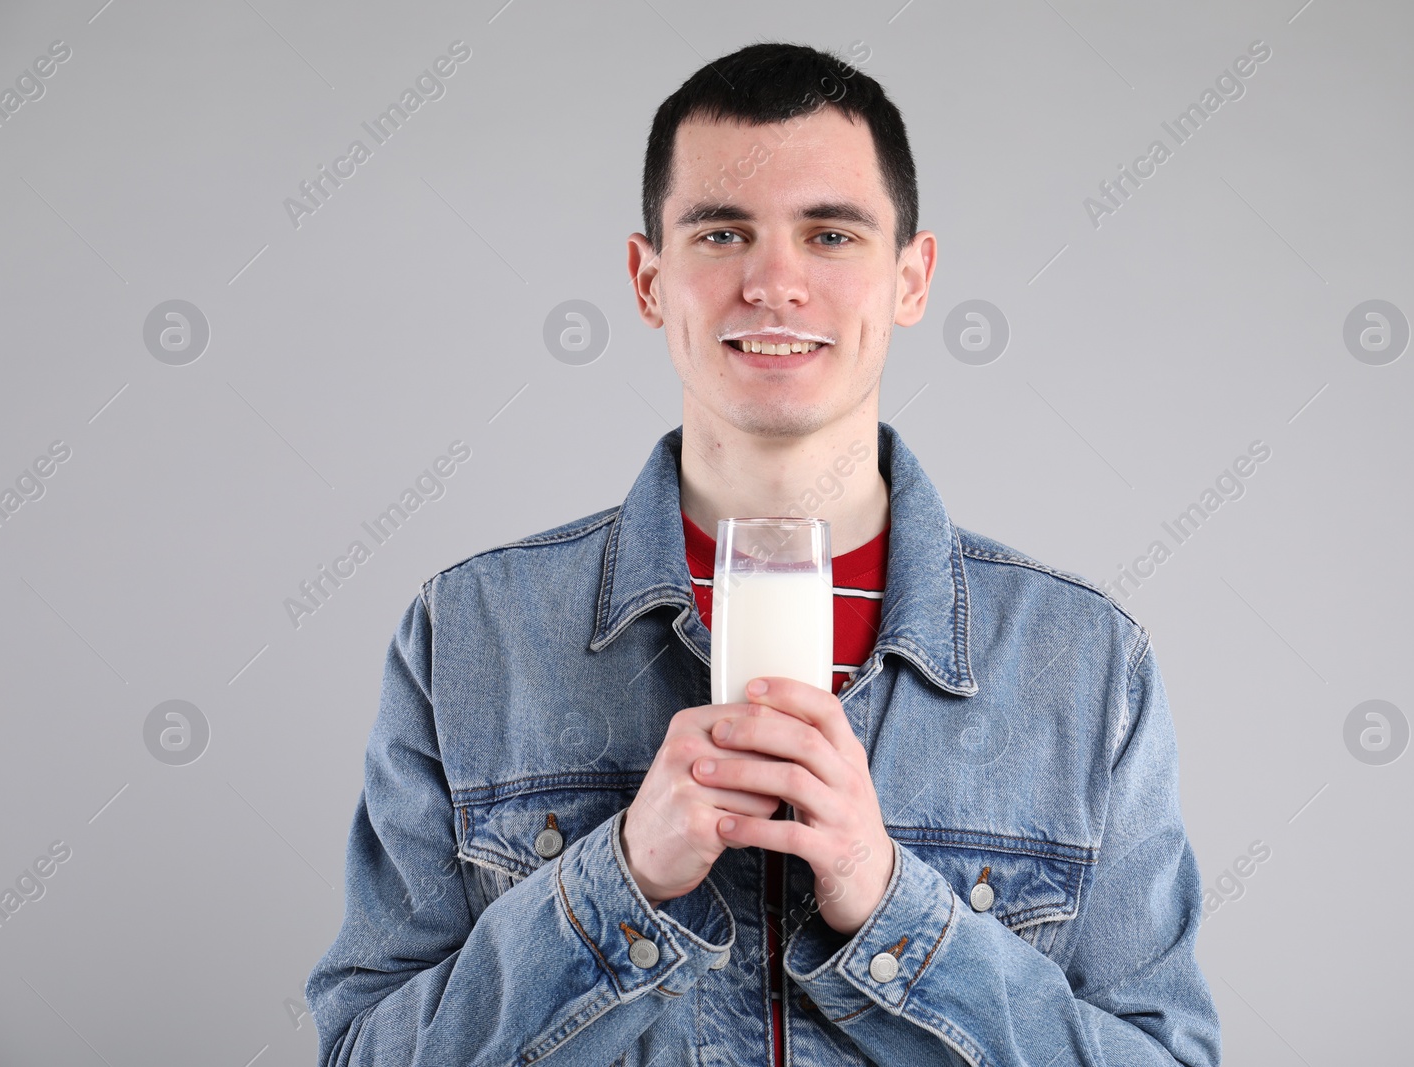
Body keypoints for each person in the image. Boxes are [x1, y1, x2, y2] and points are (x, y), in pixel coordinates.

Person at [305, 41, 1221, 1066]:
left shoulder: (1086, 663)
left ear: (911, 278)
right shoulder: (469, 633)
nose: (773, 282)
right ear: (648, 280)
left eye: (829, 233)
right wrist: (617, 883)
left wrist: (890, 908)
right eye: (721, 231)